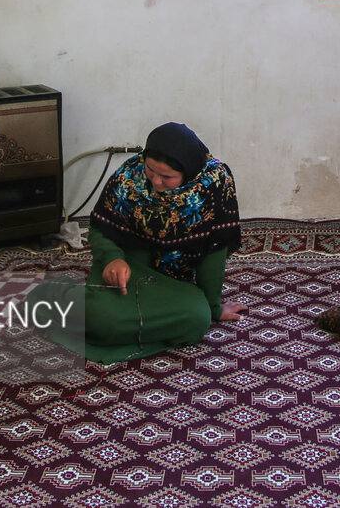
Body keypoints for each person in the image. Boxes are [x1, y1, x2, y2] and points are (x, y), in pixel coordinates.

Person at [28, 122, 245, 363]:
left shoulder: (214, 182)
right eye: (151, 170)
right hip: (127, 269)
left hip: (173, 284)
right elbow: (100, 229)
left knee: (197, 318)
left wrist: (214, 307)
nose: (156, 182)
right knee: (104, 318)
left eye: (167, 177)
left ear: (188, 171)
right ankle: (54, 295)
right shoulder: (128, 176)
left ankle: (108, 321)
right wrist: (113, 258)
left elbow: (214, 248)